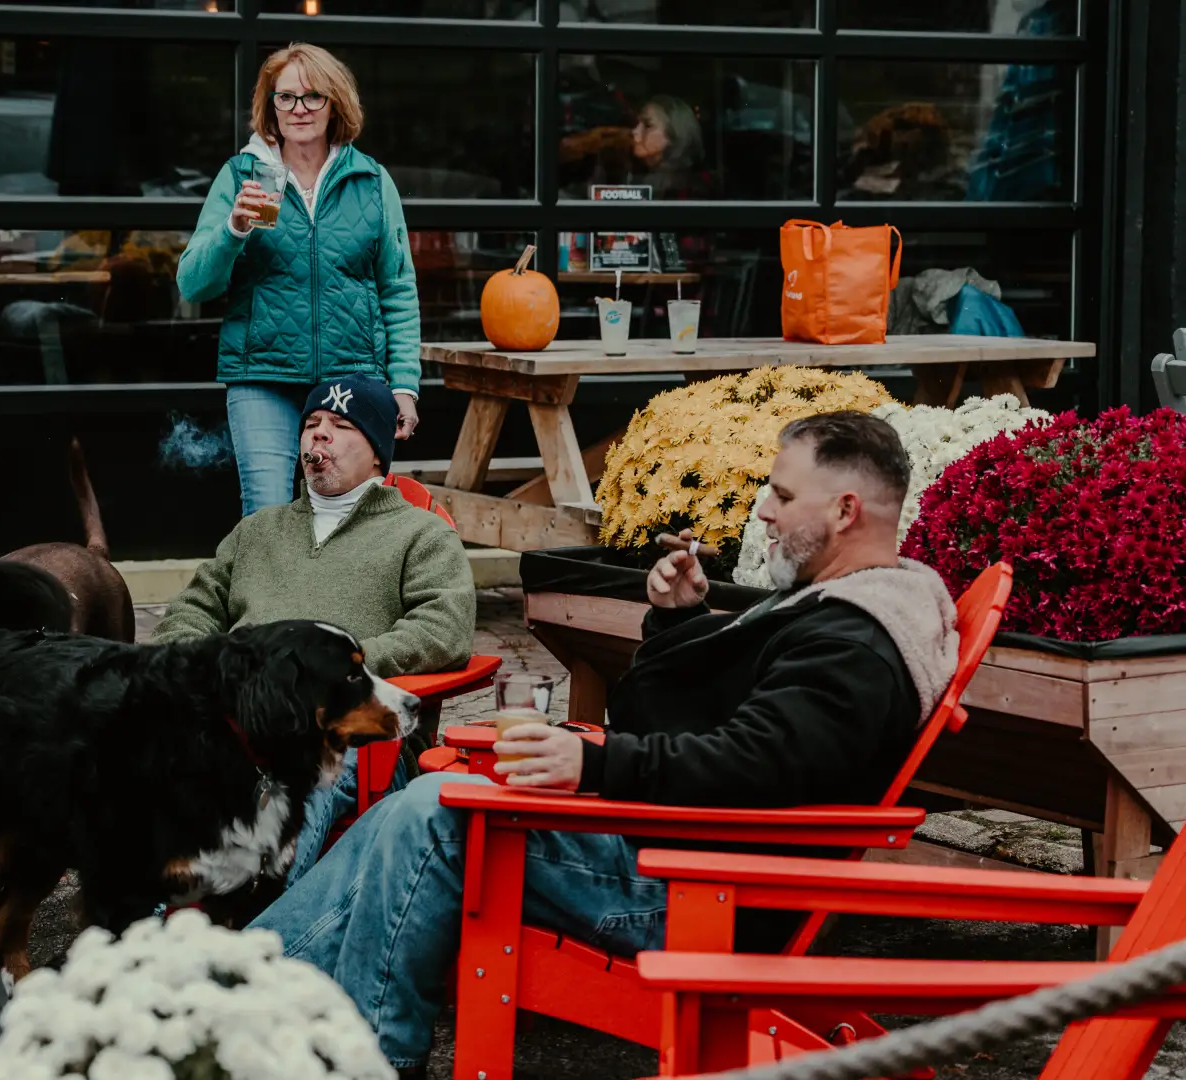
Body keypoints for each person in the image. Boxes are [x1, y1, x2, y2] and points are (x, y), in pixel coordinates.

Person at [246, 410, 961, 1078]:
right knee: (417, 809)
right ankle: (245, 987)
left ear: (844, 511)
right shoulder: (836, 604)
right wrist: (677, 626)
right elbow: (707, 734)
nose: (764, 511)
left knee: (434, 815)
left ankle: (317, 1030)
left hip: (695, 887)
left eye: (781, 494)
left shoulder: (854, 644)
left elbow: (757, 765)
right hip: (678, 851)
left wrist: (593, 763)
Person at [154, 376, 475, 868]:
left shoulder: (420, 533)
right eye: (312, 423)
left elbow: (443, 627)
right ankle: (144, 923)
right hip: (236, 720)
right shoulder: (257, 531)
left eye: (341, 425)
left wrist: (336, 676)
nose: (319, 433)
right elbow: (192, 609)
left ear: (377, 453)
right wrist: (210, 671)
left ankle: (260, 926)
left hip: (346, 733)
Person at [175, 44, 422, 517]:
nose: (298, 109)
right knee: (266, 512)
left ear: (335, 105)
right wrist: (233, 231)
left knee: (347, 515)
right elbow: (193, 285)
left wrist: (404, 386)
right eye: (284, 98)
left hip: (350, 377)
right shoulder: (243, 175)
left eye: (312, 97)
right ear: (270, 106)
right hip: (262, 374)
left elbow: (397, 288)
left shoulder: (371, 181)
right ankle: (265, 595)